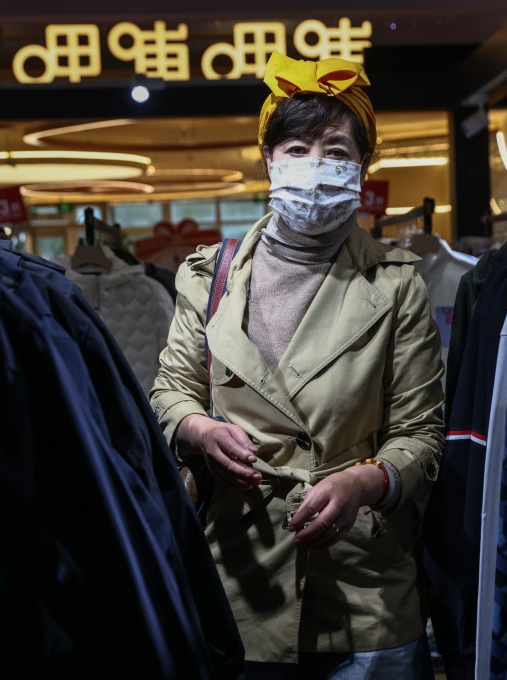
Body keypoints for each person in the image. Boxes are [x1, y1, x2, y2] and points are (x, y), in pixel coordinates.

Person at [150, 52, 445, 679]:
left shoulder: (396, 284)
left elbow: (421, 433)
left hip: (363, 590)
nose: (315, 167)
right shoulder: (208, 277)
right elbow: (171, 390)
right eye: (295, 148)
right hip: (239, 578)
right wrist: (199, 431)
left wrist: (367, 483)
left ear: (363, 166)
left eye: (336, 151)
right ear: (267, 161)